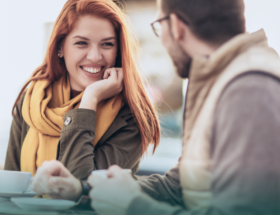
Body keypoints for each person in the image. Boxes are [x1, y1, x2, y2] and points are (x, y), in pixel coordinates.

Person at [32, 0, 280, 214]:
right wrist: (84, 189)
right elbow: (179, 186)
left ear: (177, 27)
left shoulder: (249, 88)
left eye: (160, 27)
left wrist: (133, 206)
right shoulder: (224, 79)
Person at [4, 0, 160, 186]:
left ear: (118, 50)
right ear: (60, 47)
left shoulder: (131, 115)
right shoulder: (33, 101)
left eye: (107, 44)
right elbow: (10, 184)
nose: (95, 56)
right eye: (81, 43)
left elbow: (80, 184)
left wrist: (90, 99)